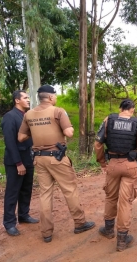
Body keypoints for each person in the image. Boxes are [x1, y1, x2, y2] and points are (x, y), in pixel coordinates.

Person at [18, 85, 95, 243]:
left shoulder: (29, 114)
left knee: (45, 194)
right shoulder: (58, 111)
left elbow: (21, 137)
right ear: (51, 97)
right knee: (69, 190)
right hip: (57, 158)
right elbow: (69, 133)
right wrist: (67, 127)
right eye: (55, 96)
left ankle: (46, 232)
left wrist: (37, 132)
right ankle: (80, 223)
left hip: (39, 159)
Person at [94, 99, 137, 252]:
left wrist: (102, 162)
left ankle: (108, 229)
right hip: (130, 165)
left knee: (111, 197)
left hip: (112, 163)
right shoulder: (136, 122)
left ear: (120, 109)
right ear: (132, 110)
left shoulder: (109, 119)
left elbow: (98, 144)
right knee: (125, 202)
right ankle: (122, 240)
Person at [1, 90, 39, 236]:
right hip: (15, 161)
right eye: (25, 98)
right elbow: (10, 142)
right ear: (17, 100)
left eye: (28, 98)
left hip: (28, 158)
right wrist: (18, 163)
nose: (28, 100)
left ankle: (24, 215)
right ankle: (9, 223)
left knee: (26, 189)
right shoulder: (10, 117)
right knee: (12, 192)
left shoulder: (26, 116)